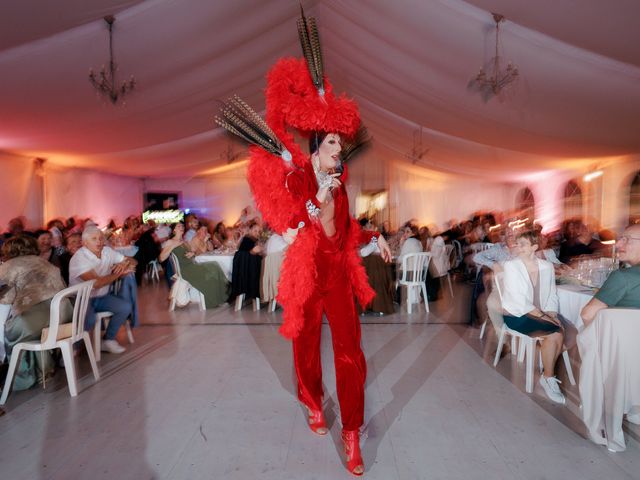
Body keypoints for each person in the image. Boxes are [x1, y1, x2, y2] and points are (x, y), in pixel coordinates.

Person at [501, 231, 567, 404]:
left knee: (563, 332)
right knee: (556, 333)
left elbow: (552, 294)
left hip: (541, 314)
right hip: (517, 314)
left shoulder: (547, 266)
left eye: (522, 244)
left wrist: (552, 313)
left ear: (534, 247)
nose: (517, 247)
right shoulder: (512, 266)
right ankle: (548, 377)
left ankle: (547, 375)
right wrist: (546, 317)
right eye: (517, 243)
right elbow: (518, 300)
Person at [0, 236, 70, 390]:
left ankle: (22, 379)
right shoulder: (43, 262)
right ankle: (43, 371)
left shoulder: (9, 266)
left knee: (10, 332)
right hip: (64, 316)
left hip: (39, 319)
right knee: (25, 325)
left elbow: (5, 298)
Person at [68, 226, 137, 354]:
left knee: (125, 307)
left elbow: (134, 261)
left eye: (100, 238)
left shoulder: (107, 251)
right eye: (94, 239)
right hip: (80, 300)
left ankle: (108, 340)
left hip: (101, 297)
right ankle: (73, 348)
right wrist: (119, 273)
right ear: (85, 243)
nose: (99, 242)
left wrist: (124, 263)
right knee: (88, 320)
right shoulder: (79, 258)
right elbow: (96, 283)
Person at [581, 224, 640, 326]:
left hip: (621, 339)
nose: (617, 245)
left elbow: (587, 315)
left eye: (627, 239)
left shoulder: (622, 277)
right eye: (621, 239)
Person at [159, 223, 229, 308]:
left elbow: (196, 252)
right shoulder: (171, 241)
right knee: (212, 268)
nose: (182, 227)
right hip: (185, 270)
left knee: (215, 265)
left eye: (182, 226)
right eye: (179, 226)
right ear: (174, 230)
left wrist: (193, 253)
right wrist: (173, 246)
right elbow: (161, 258)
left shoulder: (184, 242)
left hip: (192, 265)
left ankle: (223, 297)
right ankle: (216, 298)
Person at [229, 221, 264, 304]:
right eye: (255, 230)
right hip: (250, 273)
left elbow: (240, 249)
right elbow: (254, 252)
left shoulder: (247, 239)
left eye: (259, 231)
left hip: (244, 273)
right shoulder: (249, 240)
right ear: (250, 230)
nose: (257, 233)